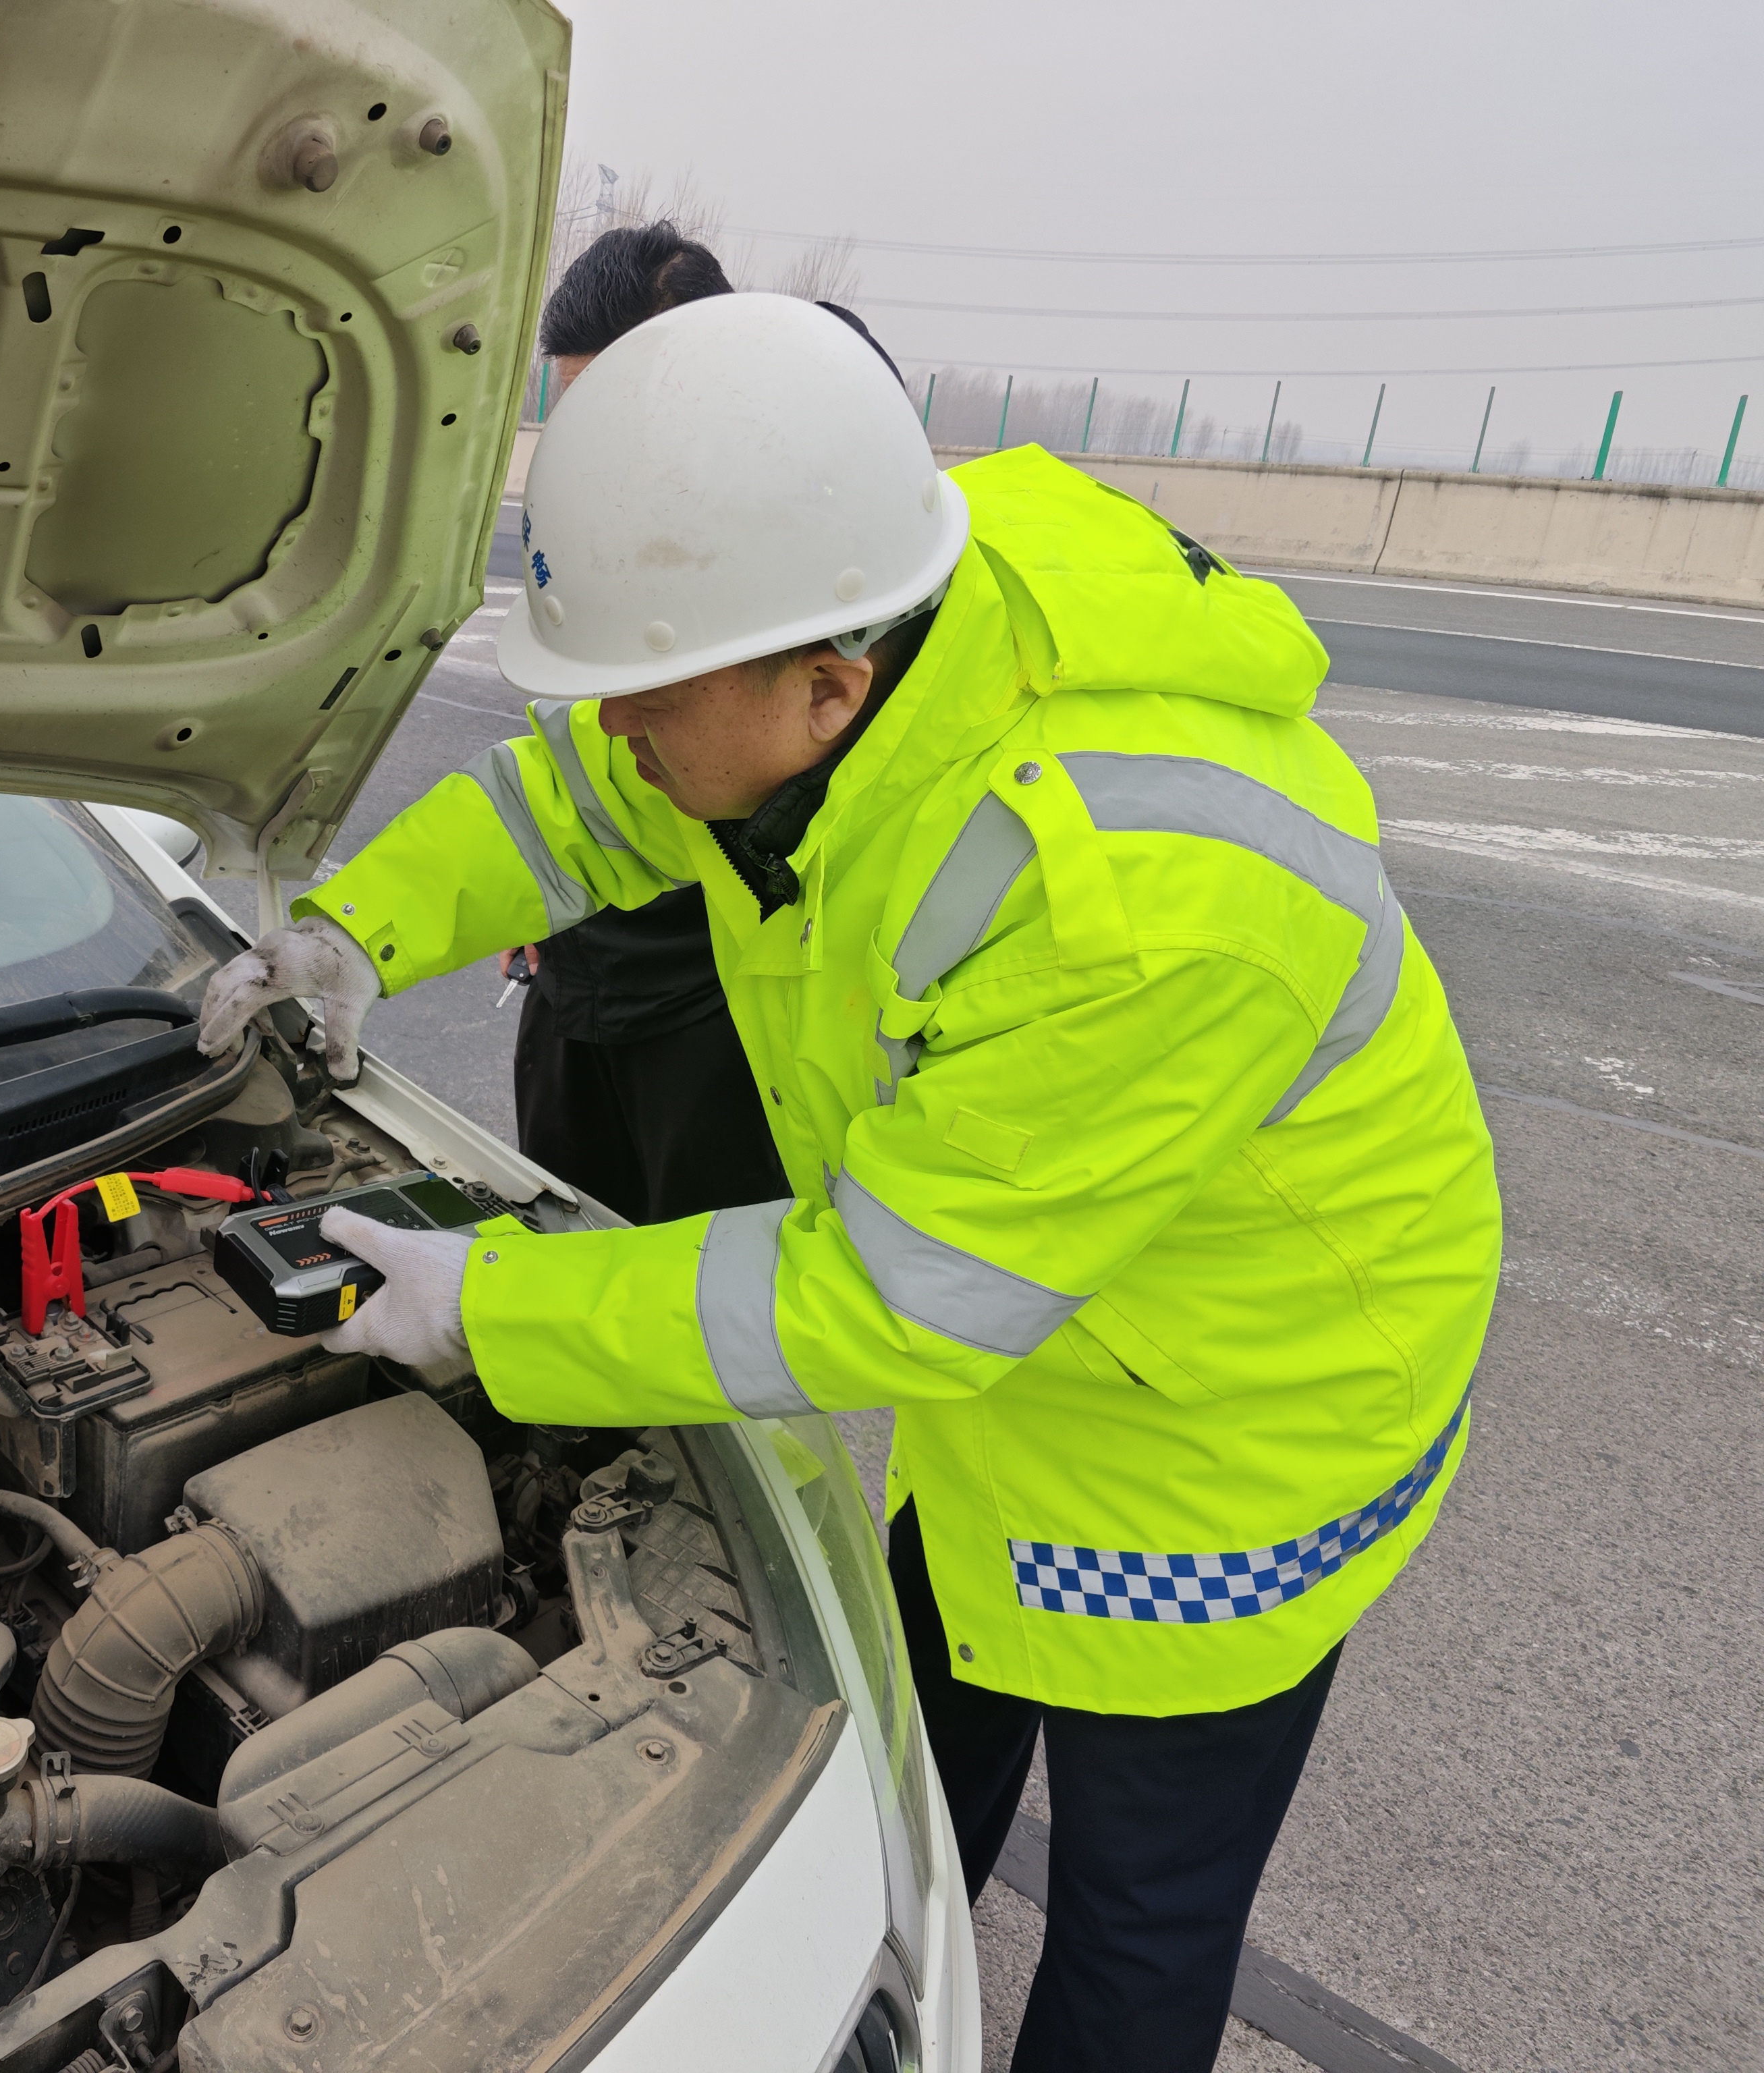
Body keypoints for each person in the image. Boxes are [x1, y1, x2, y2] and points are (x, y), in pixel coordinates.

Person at [198, 294, 1502, 2070]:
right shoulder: (849, 610)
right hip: (1043, 1339)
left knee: (1138, 1915)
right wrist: (360, 930)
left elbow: (891, 1293)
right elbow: (576, 807)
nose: (617, 729)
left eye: (648, 699)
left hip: (1233, 1430)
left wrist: (486, 1310)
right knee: (919, 1746)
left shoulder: (1130, 903)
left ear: (829, 688)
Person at [499, 223, 785, 1223]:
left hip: (714, 1004)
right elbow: (575, 748)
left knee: (704, 1273)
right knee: (563, 1227)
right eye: (575, 413)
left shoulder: (800, 535)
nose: (594, 448)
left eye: (619, 409)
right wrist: (527, 896)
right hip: (575, 975)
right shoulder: (588, 517)